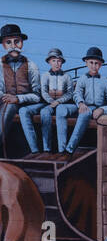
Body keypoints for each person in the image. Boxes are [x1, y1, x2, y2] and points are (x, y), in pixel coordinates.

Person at [64, 46, 107, 154]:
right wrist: (80, 103)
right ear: (86, 63)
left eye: (97, 63)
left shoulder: (105, 82)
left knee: (86, 113)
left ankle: (70, 148)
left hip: (96, 108)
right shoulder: (82, 79)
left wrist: (102, 109)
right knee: (74, 111)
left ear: (101, 64)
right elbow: (77, 93)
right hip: (83, 106)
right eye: (91, 62)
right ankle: (65, 148)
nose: (94, 66)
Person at [1, 23, 41, 156]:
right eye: (8, 42)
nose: (13, 45)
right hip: (3, 101)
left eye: (16, 41)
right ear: (3, 45)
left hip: (23, 104)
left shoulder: (32, 66)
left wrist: (17, 98)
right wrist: (5, 96)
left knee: (11, 106)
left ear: (22, 43)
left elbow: (37, 95)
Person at [23, 48, 74, 152]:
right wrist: (51, 102)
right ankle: (46, 148)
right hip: (48, 104)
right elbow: (44, 92)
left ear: (62, 62)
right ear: (49, 62)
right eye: (54, 60)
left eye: (59, 61)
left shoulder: (67, 77)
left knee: (60, 112)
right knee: (44, 112)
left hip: (62, 104)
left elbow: (69, 93)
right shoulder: (45, 76)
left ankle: (62, 149)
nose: (56, 63)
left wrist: (59, 101)